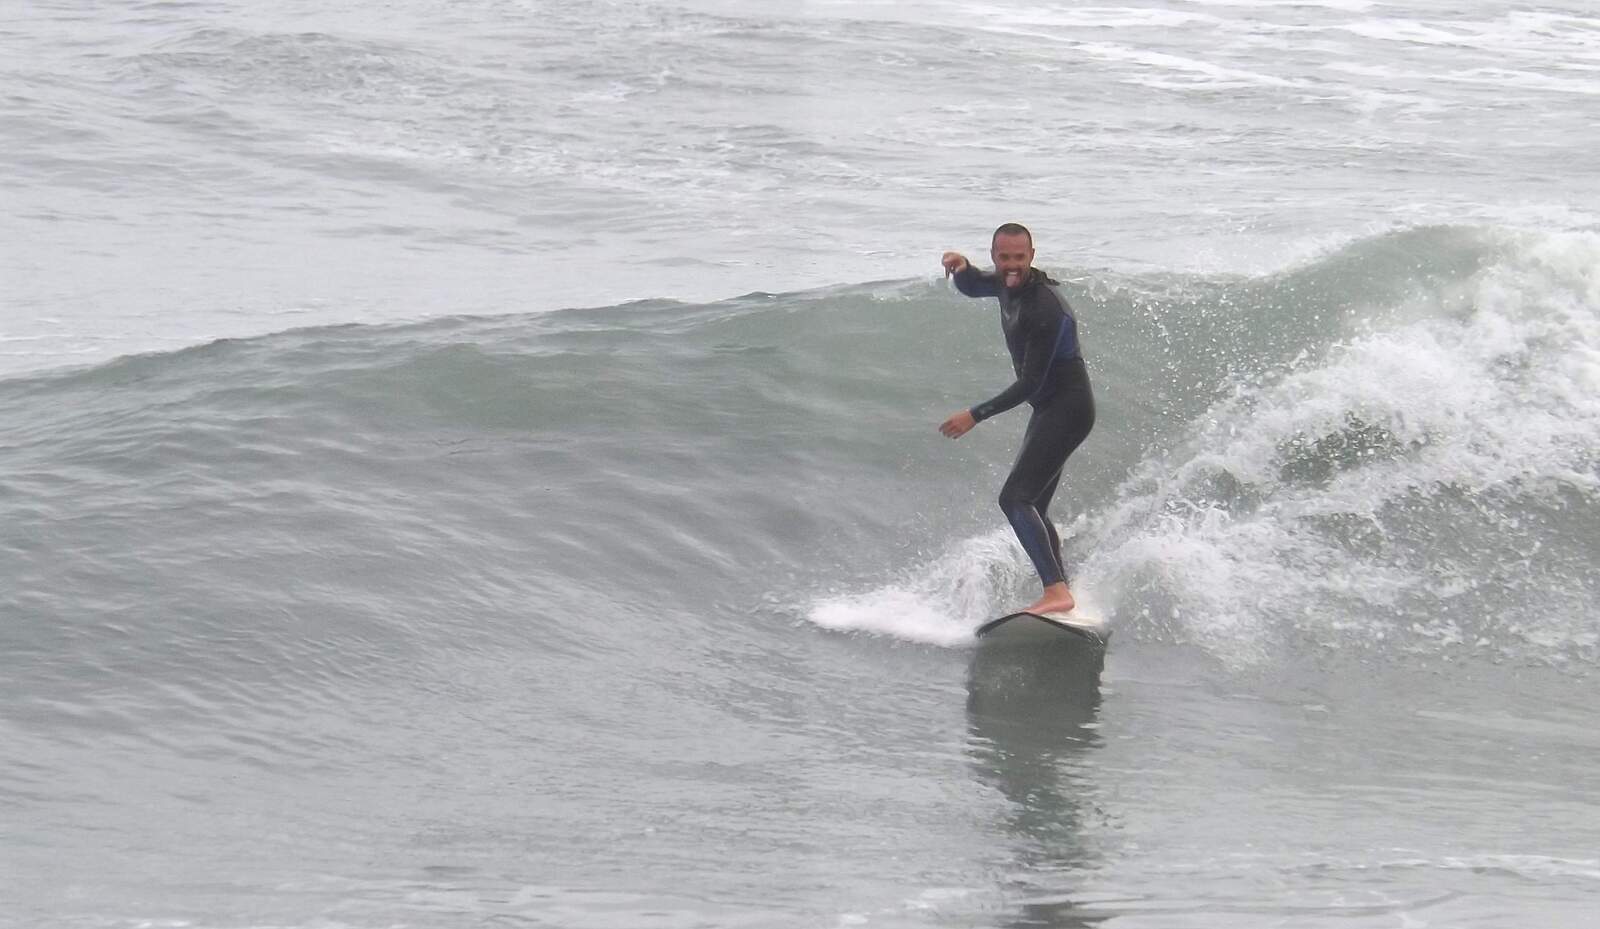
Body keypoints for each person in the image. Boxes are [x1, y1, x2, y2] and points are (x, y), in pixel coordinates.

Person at [940, 223, 1095, 615]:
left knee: (1015, 498)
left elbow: (1029, 383)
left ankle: (1056, 591)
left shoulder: (1045, 307)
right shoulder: (1007, 284)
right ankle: (1063, 593)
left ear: (1031, 256)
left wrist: (975, 415)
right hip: (1052, 408)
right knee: (1035, 507)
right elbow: (976, 286)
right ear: (995, 256)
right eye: (1004, 257)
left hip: (1068, 408)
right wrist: (960, 269)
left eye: (1019, 258)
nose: (1011, 265)